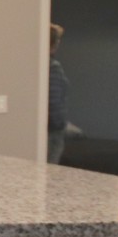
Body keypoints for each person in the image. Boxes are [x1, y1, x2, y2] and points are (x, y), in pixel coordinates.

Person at [47, 23, 70, 164]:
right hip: (53, 133)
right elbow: (54, 103)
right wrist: (60, 126)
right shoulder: (53, 68)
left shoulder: (37, 65)